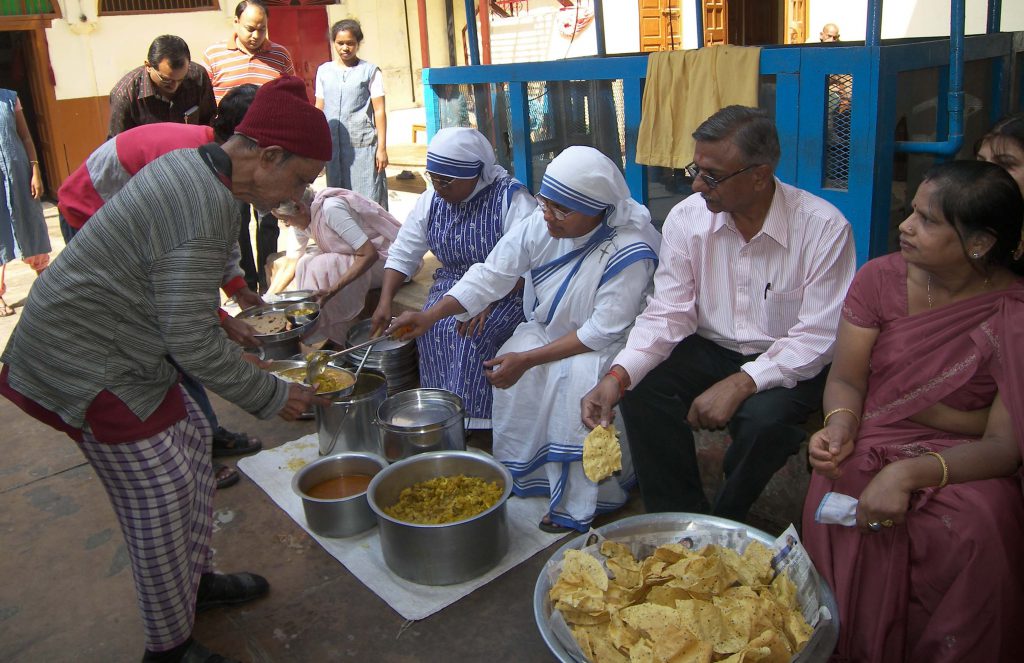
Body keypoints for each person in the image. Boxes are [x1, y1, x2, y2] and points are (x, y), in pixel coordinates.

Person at [0, 75, 331, 663]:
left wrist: (218, 316)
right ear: (268, 154)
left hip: (127, 346)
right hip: (84, 362)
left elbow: (165, 274)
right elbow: (189, 342)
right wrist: (271, 394)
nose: (293, 195)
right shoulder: (205, 200)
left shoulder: (202, 173)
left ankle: (195, 584)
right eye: (299, 179)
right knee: (159, 494)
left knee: (193, 443)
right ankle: (168, 647)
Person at [581, 105, 856, 522]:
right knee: (639, 387)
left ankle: (728, 521)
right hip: (712, 347)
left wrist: (743, 383)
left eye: (712, 176)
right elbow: (669, 313)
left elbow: (817, 337)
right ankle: (676, 517)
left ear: (759, 175)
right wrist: (617, 376)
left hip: (790, 359)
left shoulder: (823, 228)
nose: (696, 184)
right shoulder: (687, 219)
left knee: (763, 421)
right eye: (695, 168)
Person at [801, 160, 1024, 662]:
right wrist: (838, 427)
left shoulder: (1013, 310)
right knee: (841, 478)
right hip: (872, 433)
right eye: (911, 212)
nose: (904, 225)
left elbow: (1003, 447)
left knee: (981, 523)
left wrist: (908, 473)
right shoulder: (879, 279)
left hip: (965, 459)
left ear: (980, 242)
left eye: (926, 219)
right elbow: (847, 379)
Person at [391, 146, 660, 532]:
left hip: (608, 347)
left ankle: (586, 502)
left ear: (598, 208)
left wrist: (531, 359)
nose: (548, 215)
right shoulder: (543, 223)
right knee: (515, 368)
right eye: (546, 203)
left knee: (572, 384)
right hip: (549, 330)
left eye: (562, 210)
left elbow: (601, 331)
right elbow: (493, 273)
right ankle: (532, 478)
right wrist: (429, 316)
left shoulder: (630, 250)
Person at [58, 84, 264, 487]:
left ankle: (205, 434)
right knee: (165, 344)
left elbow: (216, 234)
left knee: (178, 344)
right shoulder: (187, 163)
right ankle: (195, 452)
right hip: (89, 216)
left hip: (136, 227)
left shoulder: (221, 162)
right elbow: (171, 284)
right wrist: (221, 319)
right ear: (247, 140)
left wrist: (237, 287)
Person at [372, 127, 536, 433]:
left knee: (472, 334)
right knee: (433, 328)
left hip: (508, 290)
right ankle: (444, 416)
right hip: (451, 285)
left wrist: (487, 298)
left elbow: (529, 265)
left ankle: (481, 425)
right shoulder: (431, 200)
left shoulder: (512, 199)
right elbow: (404, 252)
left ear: (475, 174)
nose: (438, 186)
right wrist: (384, 301)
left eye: (446, 180)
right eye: (433, 178)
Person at [204, 0, 295, 293]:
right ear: (235, 23)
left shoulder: (279, 56)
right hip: (230, 157)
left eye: (262, 29)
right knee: (236, 220)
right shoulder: (214, 56)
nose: (256, 35)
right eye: (250, 28)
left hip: (269, 155)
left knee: (268, 217)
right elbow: (207, 107)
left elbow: (292, 100)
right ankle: (245, 283)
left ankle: (269, 282)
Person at [268, 185, 401, 344]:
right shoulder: (302, 219)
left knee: (323, 266)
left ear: (299, 208)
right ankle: (323, 333)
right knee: (304, 263)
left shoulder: (331, 209)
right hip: (363, 259)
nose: (286, 225)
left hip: (388, 262)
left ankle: (340, 337)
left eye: (285, 220)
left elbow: (368, 254)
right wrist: (268, 299)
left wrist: (332, 290)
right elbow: (292, 261)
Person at [316, 18, 389, 209]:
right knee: (337, 200)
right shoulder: (324, 72)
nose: (345, 48)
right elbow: (319, 109)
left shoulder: (370, 72)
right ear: (334, 43)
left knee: (367, 200)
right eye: (340, 43)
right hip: (333, 147)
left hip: (363, 147)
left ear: (358, 44)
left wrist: (381, 148)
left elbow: (379, 110)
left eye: (350, 43)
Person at [0, 87, 50, 317]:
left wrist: (35, 171)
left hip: (19, 174)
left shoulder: (10, 99)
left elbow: (26, 136)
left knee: (31, 223)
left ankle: (47, 284)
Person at [107, 35, 216, 139]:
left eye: (181, 80)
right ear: (148, 66)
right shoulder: (125, 94)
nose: (174, 86)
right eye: (166, 80)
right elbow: (117, 144)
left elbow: (209, 122)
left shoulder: (198, 76)